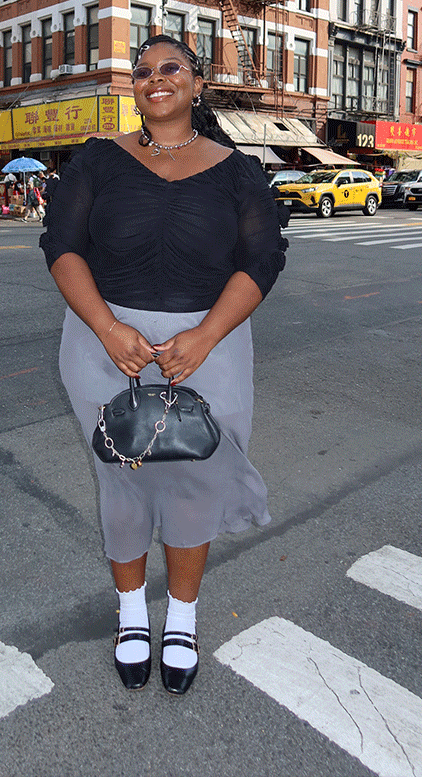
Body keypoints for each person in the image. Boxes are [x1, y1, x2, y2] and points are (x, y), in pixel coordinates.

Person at [39, 34, 286, 697]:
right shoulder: (96, 161)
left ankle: (181, 618)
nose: (154, 78)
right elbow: (62, 245)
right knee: (122, 482)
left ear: (197, 82)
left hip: (211, 347)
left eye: (170, 67)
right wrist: (107, 325)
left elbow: (262, 259)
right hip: (103, 343)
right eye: (141, 71)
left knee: (193, 485)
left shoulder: (238, 170)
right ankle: (130, 617)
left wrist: (205, 335)